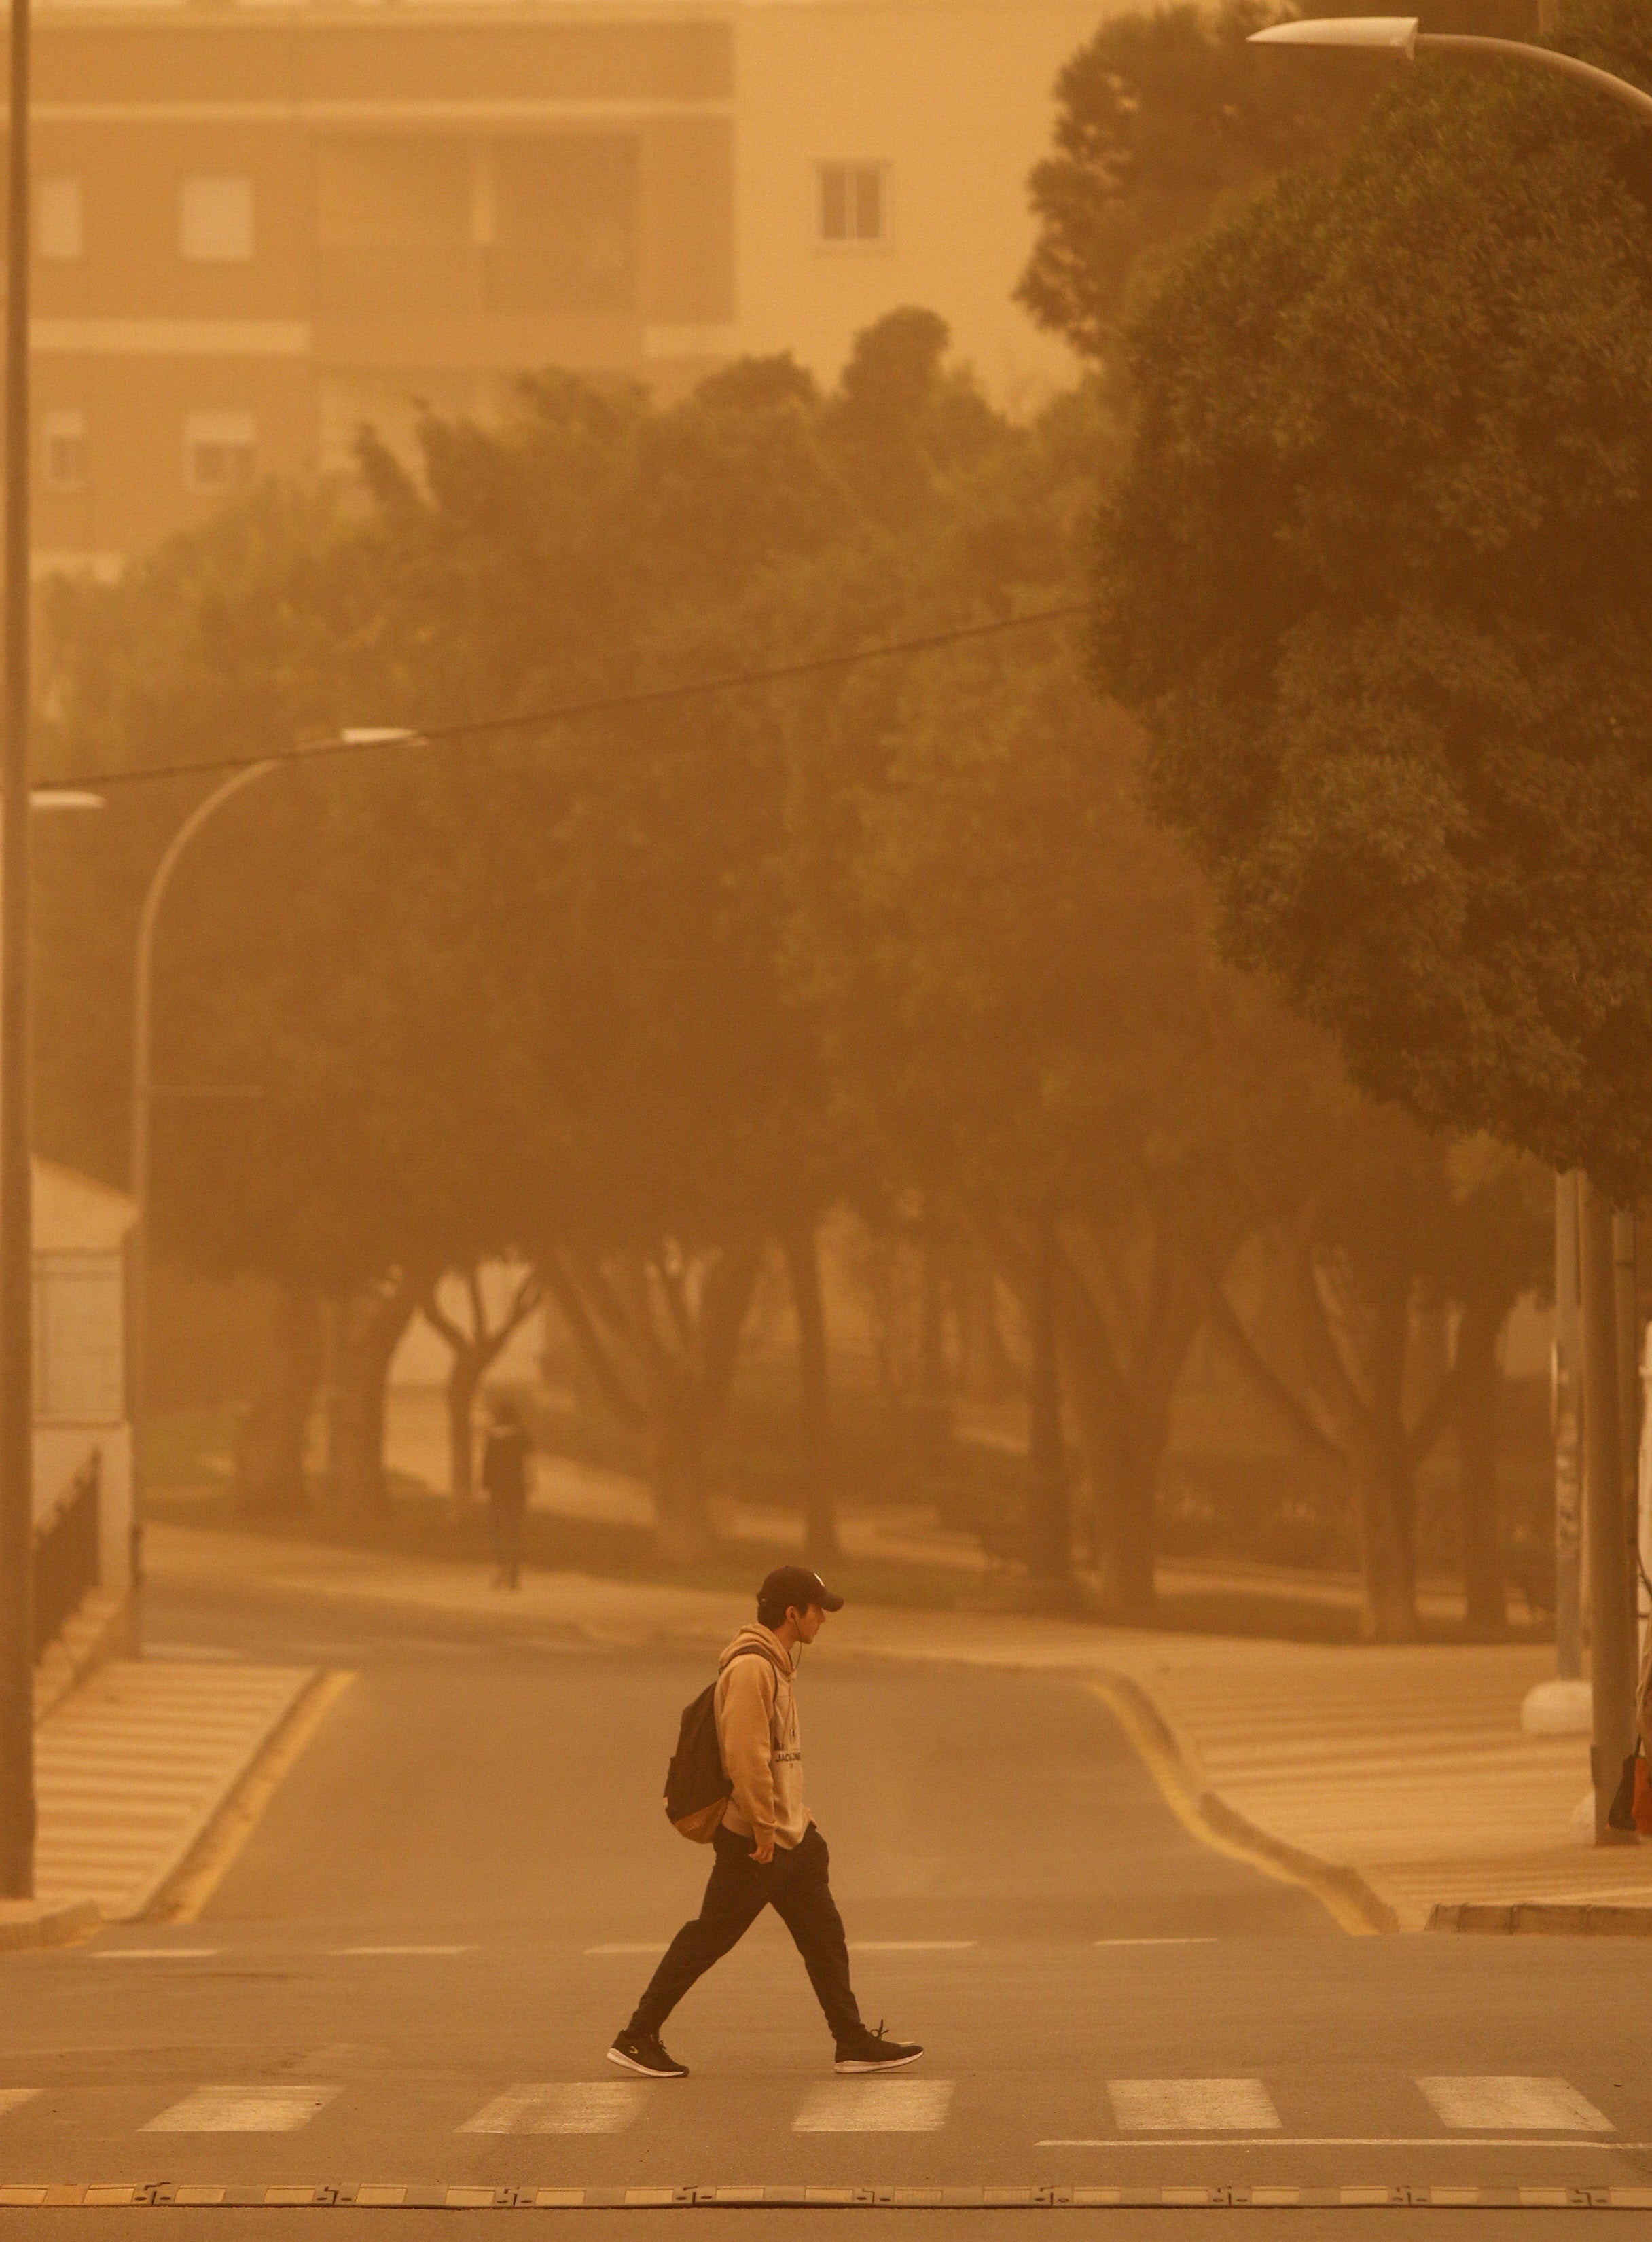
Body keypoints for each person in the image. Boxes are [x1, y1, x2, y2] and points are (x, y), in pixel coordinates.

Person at [609, 1563, 922, 2080]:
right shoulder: (752, 1668)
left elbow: (779, 1758)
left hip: (789, 1836)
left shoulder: (776, 1665)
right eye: (817, 1609)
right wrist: (763, 1826)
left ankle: (852, 2040)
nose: (823, 1618)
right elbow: (746, 1756)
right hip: (759, 1840)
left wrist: (799, 1822)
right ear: (791, 1613)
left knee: (824, 1936)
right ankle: (638, 2035)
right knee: (709, 1937)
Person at [480, 1393, 531, 1591]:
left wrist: (484, 1486)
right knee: (515, 1531)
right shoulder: (523, 1438)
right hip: (517, 1490)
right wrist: (529, 1485)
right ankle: (514, 1574)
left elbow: (487, 1465)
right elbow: (528, 1465)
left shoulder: (493, 1439)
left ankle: (500, 1567)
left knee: (496, 1529)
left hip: (497, 1491)